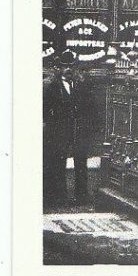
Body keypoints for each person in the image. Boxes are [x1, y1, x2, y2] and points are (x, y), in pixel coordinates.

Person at [43, 49, 94, 207]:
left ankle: (81, 197)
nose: (69, 69)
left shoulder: (79, 86)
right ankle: (58, 197)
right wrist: (52, 125)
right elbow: (45, 109)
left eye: (71, 66)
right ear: (60, 68)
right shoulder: (53, 87)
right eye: (65, 66)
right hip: (59, 131)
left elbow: (88, 107)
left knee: (81, 163)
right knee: (58, 163)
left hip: (77, 130)